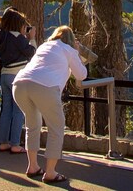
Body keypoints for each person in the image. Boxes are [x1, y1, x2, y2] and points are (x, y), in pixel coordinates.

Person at [12, 25, 88, 184]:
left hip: (19, 84)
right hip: (45, 86)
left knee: (33, 124)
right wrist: (78, 52)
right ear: (71, 40)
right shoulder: (69, 49)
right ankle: (51, 172)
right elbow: (81, 74)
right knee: (56, 127)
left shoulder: (44, 46)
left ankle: (33, 166)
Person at [0, 7, 36, 153]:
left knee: (6, 109)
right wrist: (32, 39)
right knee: (18, 110)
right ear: (18, 24)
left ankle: (2, 142)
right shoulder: (18, 38)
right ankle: (15, 143)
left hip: (4, 75)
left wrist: (2, 62)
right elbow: (32, 53)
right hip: (17, 76)